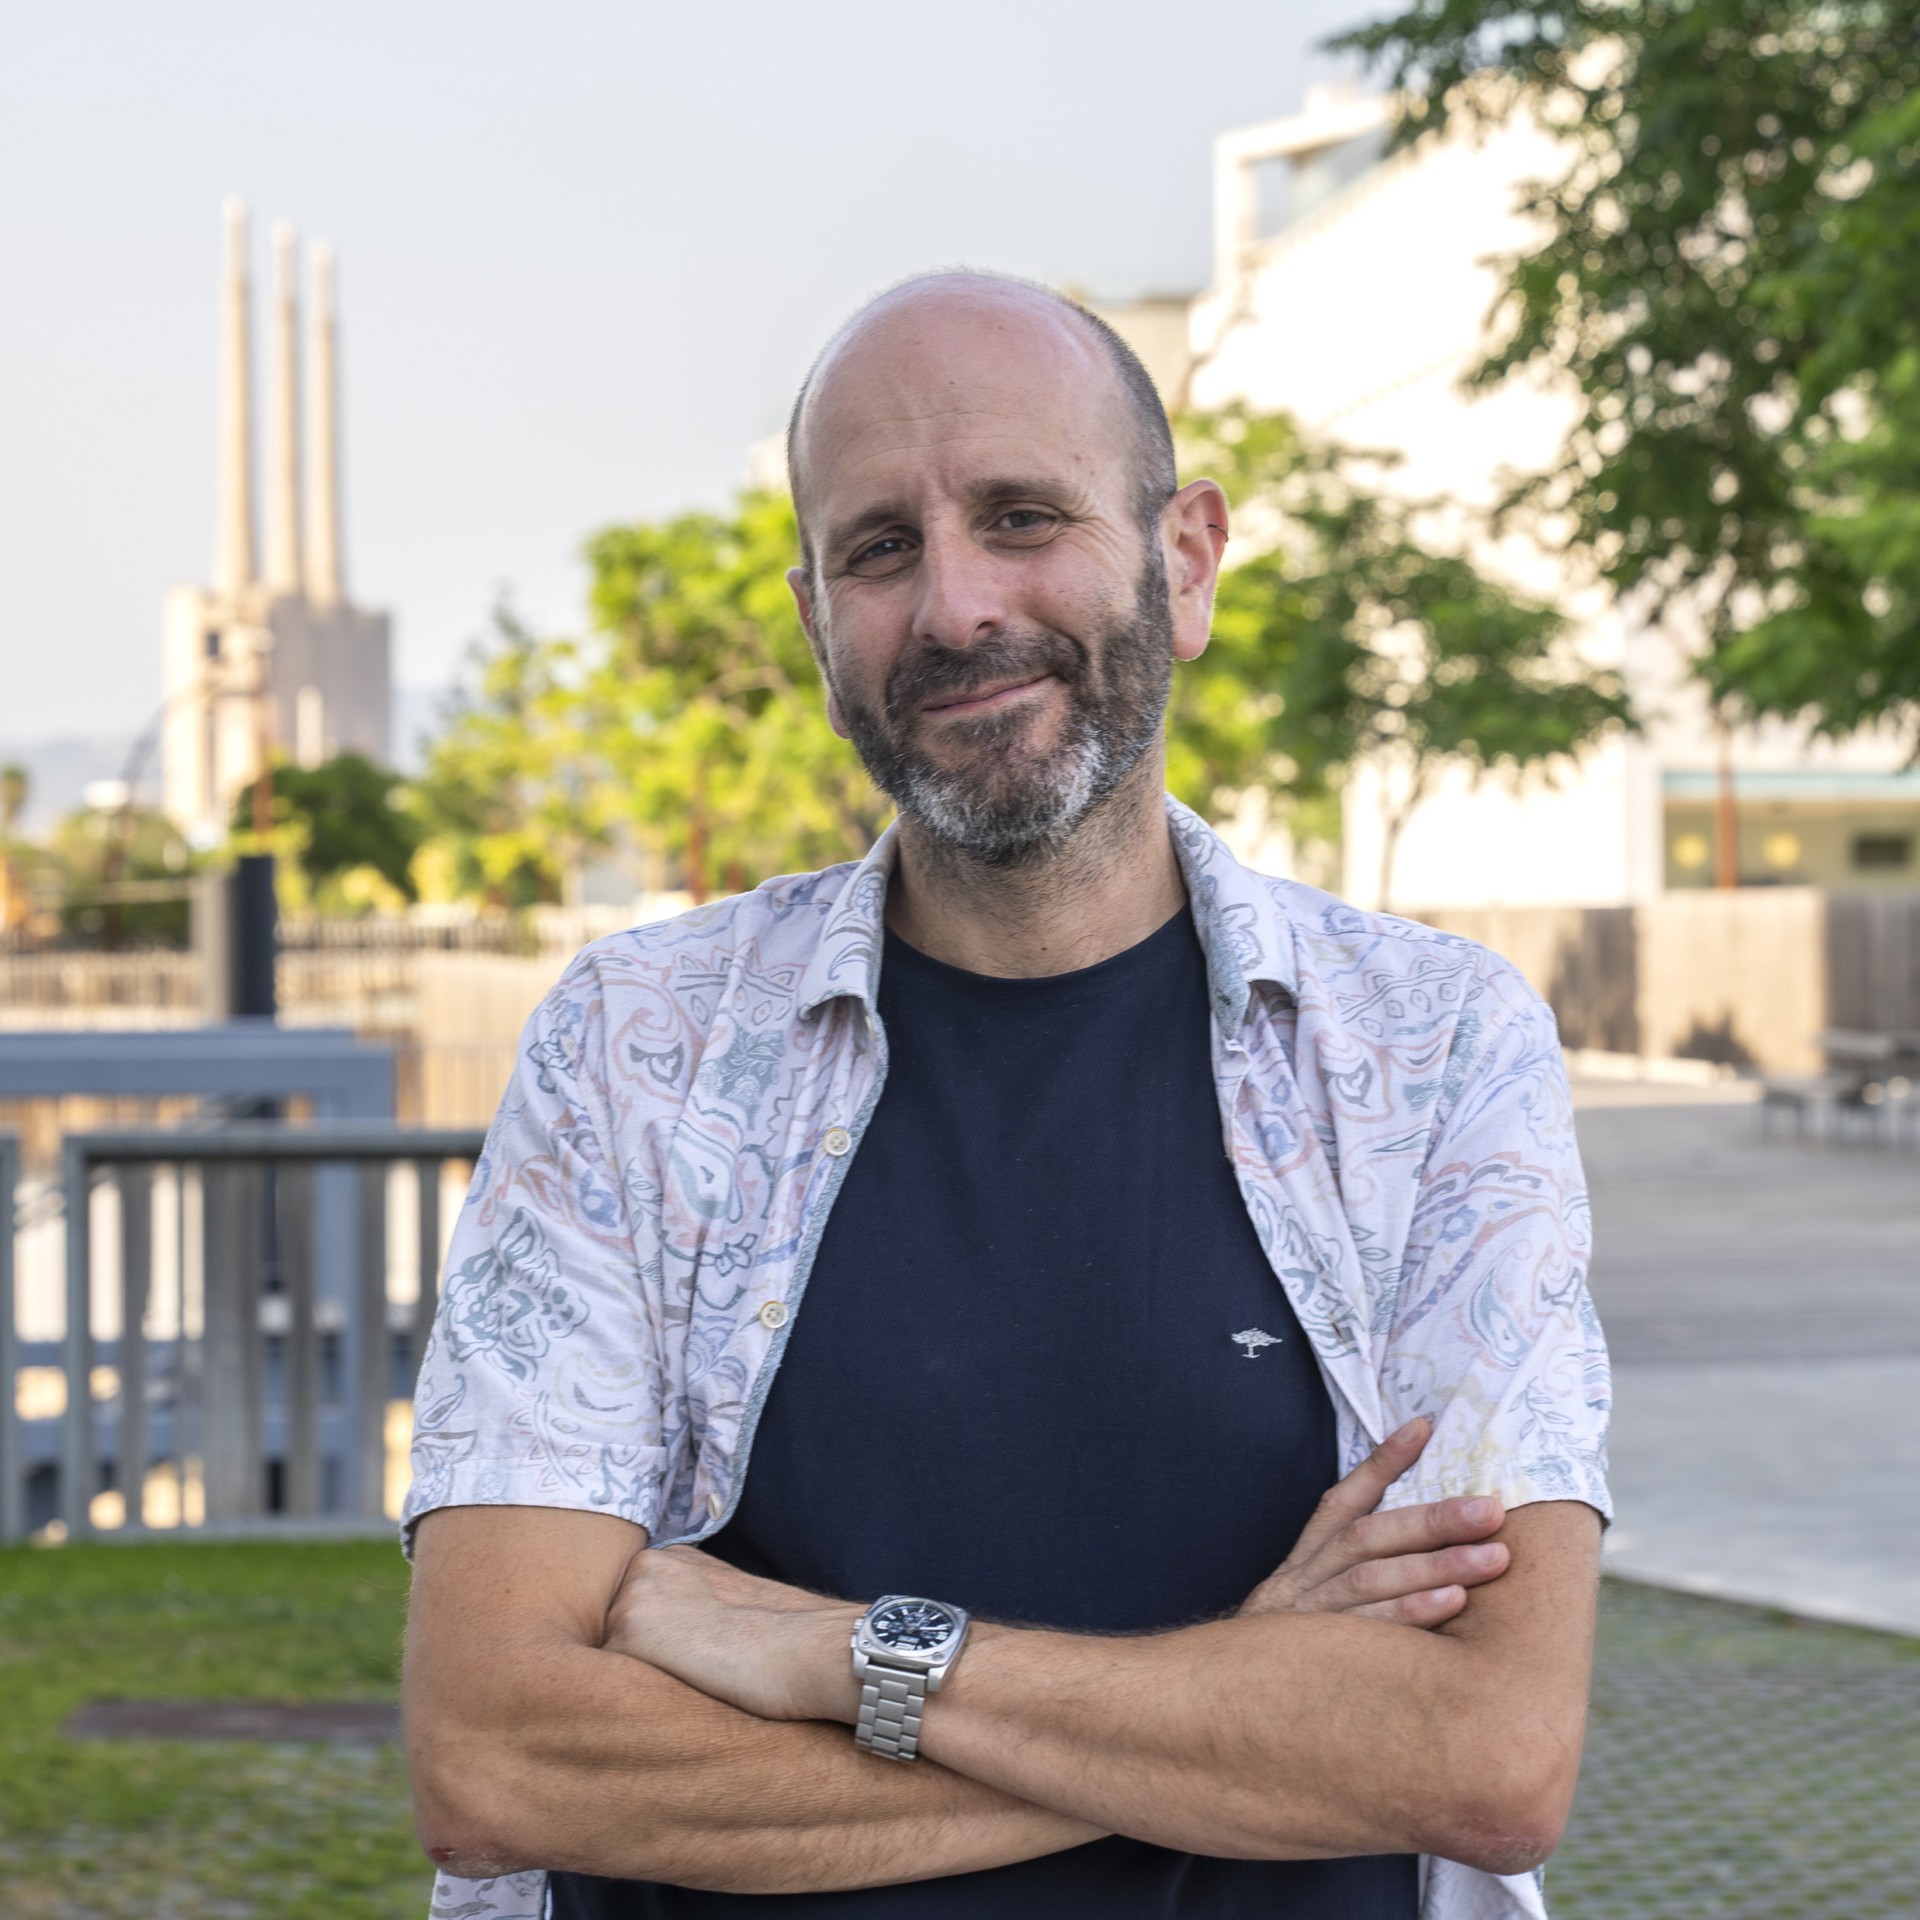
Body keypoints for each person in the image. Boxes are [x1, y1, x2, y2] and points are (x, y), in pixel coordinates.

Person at [401, 272, 1610, 1920]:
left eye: (1022, 516)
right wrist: (1256, 1705)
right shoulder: (638, 1049)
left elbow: (1481, 1761)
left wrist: (834, 1653)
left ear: (1182, 563)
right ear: (819, 617)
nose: (957, 606)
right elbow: (498, 1760)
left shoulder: (1431, 1045)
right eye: (879, 549)